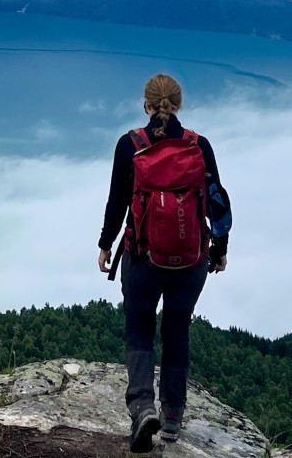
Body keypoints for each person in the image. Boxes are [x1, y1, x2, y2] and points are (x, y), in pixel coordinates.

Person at [97, 73, 232, 454]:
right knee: (177, 329)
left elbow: (117, 201)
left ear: (146, 105)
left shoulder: (131, 145)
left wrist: (106, 244)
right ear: (179, 105)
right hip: (191, 259)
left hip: (142, 255)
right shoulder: (198, 145)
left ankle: (142, 407)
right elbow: (218, 202)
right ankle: (172, 418)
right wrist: (219, 249)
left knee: (139, 328)